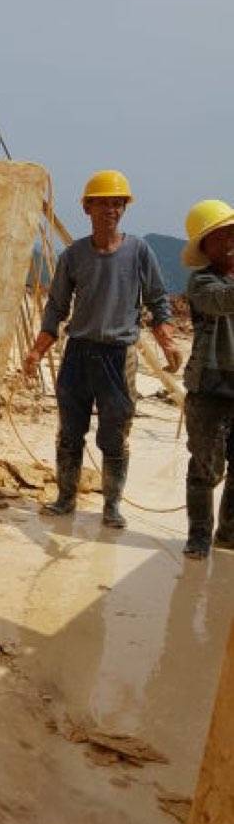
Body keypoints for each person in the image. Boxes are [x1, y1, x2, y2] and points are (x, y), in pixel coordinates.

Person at [23, 170, 181, 529]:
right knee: (69, 433)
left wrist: (167, 341)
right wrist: (36, 351)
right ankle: (65, 498)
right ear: (87, 208)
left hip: (118, 356)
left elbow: (158, 302)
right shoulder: (73, 256)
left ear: (124, 208)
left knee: (115, 436)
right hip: (78, 354)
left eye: (117, 203)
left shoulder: (139, 252)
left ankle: (111, 506)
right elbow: (56, 308)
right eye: (103, 203)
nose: (111, 210)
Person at [180, 199, 234, 558]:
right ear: (205, 247)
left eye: (231, 233)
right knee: (205, 466)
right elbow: (222, 301)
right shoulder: (201, 282)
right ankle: (199, 535)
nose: (228, 241)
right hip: (209, 388)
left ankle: (228, 535)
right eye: (219, 236)